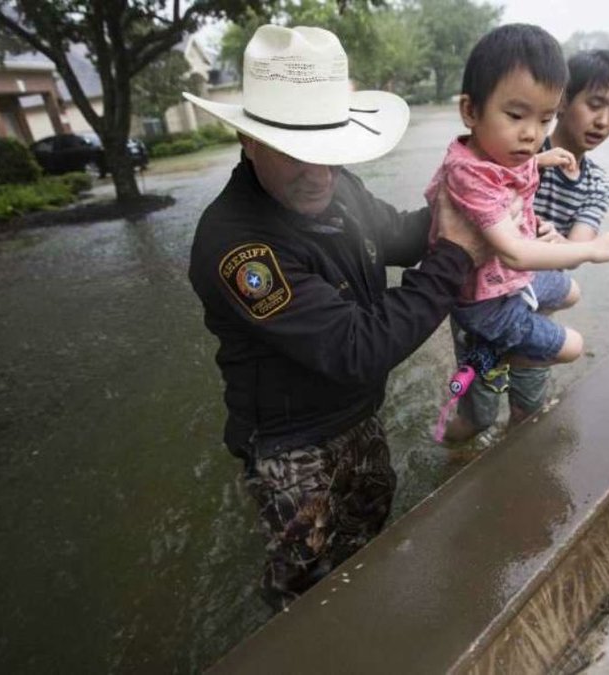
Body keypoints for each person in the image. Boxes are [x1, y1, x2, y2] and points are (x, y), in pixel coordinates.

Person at [184, 25, 490, 610]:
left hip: (358, 412)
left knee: (369, 530)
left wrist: (471, 198)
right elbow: (357, 349)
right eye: (295, 151)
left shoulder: (336, 184)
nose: (319, 172)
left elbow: (398, 235)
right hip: (291, 442)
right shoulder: (238, 249)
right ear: (248, 140)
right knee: (303, 579)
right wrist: (455, 258)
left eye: (330, 150)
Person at [425, 24, 609, 441]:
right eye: (594, 104)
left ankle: (507, 455)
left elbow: (516, 184)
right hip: (490, 298)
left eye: (543, 119)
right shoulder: (504, 151)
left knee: (528, 413)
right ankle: (447, 439)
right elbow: (517, 244)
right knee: (479, 412)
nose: (531, 133)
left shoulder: (568, 170)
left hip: (521, 291)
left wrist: (542, 166)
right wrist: (586, 251)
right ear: (569, 100)